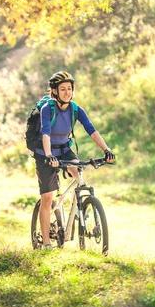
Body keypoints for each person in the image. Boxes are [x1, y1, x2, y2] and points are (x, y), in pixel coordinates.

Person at [34, 71, 115, 249]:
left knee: (78, 174)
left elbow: (91, 130)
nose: (67, 92)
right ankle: (46, 242)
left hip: (64, 149)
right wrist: (48, 156)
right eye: (62, 89)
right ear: (54, 91)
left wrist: (106, 149)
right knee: (47, 197)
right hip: (44, 152)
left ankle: (78, 206)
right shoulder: (48, 108)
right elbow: (46, 132)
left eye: (69, 89)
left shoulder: (75, 109)